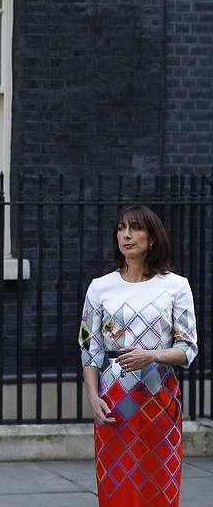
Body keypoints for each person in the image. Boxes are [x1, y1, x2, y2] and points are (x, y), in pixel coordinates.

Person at [79, 204, 198, 507]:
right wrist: (93, 396)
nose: (127, 235)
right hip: (113, 397)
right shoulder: (99, 287)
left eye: (135, 228)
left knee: (158, 479)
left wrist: (152, 356)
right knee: (116, 480)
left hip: (160, 398)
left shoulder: (176, 286)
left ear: (153, 238)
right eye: (121, 229)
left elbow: (188, 348)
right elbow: (89, 348)